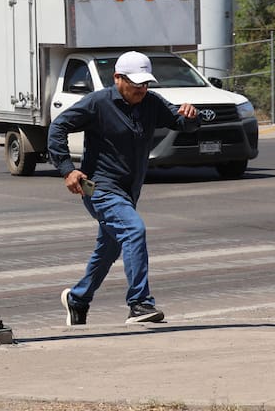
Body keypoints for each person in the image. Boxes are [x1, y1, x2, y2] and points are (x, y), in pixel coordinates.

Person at [47, 50, 201, 325]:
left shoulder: (150, 102)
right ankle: (140, 303)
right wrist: (67, 170)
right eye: (135, 83)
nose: (141, 89)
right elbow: (58, 128)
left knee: (109, 248)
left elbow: (181, 121)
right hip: (99, 188)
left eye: (145, 84)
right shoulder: (98, 103)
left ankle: (78, 299)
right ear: (118, 78)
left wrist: (190, 115)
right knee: (133, 230)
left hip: (128, 191)